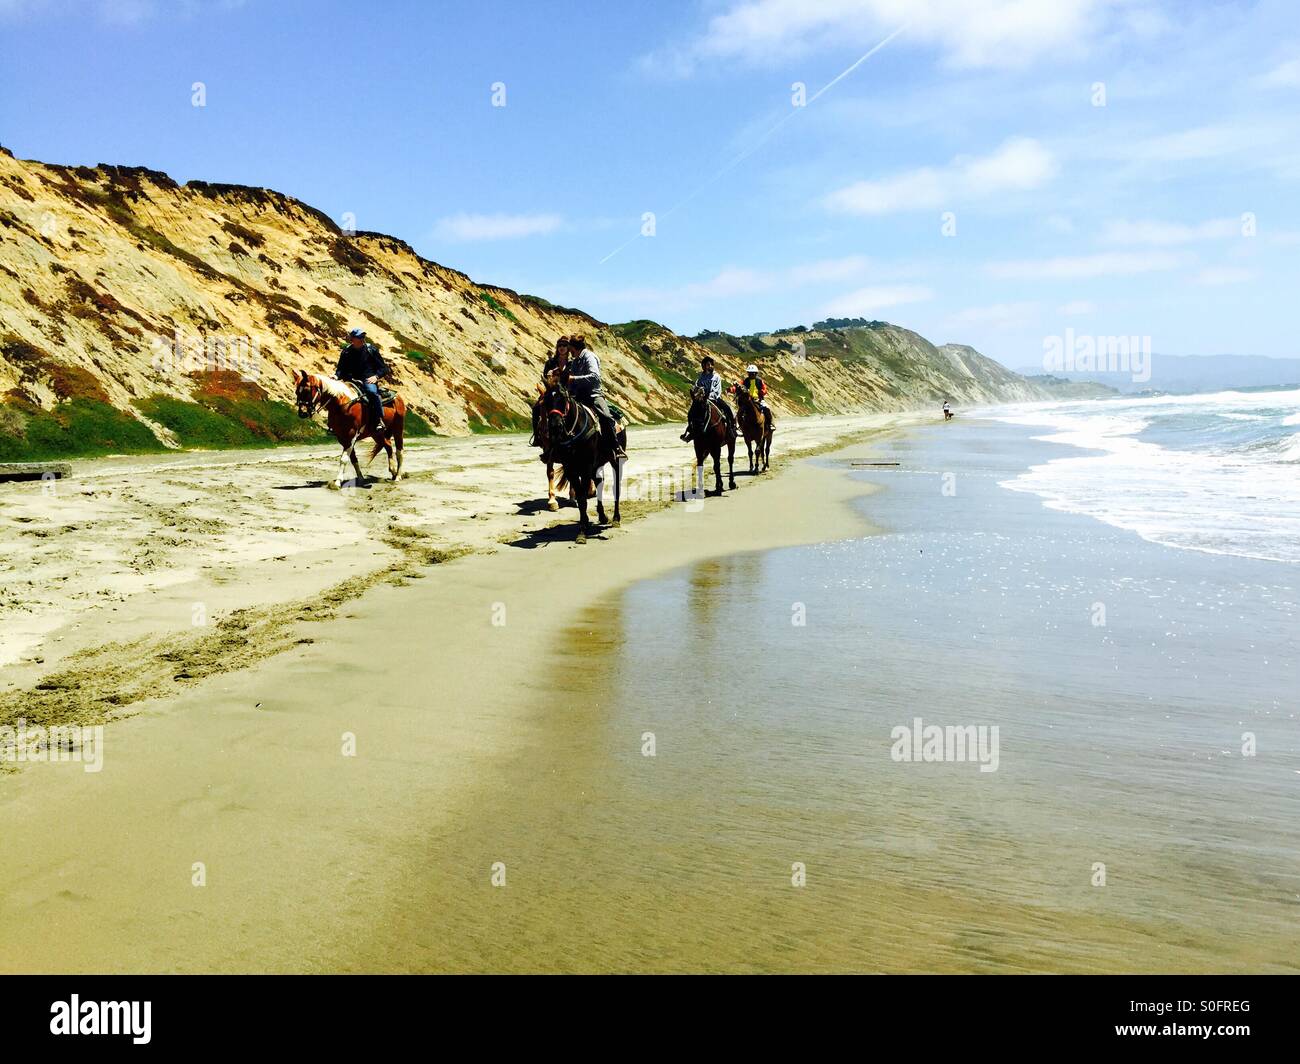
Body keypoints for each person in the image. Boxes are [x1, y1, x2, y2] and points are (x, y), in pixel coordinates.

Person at [563, 334, 625, 460]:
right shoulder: (574, 361)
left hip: (593, 395)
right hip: (578, 397)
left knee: (606, 416)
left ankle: (616, 447)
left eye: (570, 349)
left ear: (574, 348)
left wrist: (573, 379)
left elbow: (594, 377)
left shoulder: (589, 357)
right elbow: (571, 382)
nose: (569, 352)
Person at [335, 328, 389, 433]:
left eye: (363, 337)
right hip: (350, 379)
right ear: (352, 339)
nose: (362, 339)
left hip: (367, 379)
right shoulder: (346, 351)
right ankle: (334, 423)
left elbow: (384, 368)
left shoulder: (371, 350)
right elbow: (340, 369)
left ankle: (379, 420)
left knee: (372, 393)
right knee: (336, 395)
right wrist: (336, 376)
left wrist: (376, 377)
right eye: (359, 337)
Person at [681, 355, 735, 441]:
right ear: (703, 366)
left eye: (711, 364)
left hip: (714, 399)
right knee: (691, 413)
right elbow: (696, 387)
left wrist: (708, 396)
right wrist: (696, 393)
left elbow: (717, 390)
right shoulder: (701, 377)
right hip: (702, 400)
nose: (710, 366)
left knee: (727, 409)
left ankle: (731, 429)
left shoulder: (716, 376)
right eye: (707, 365)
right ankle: (690, 431)